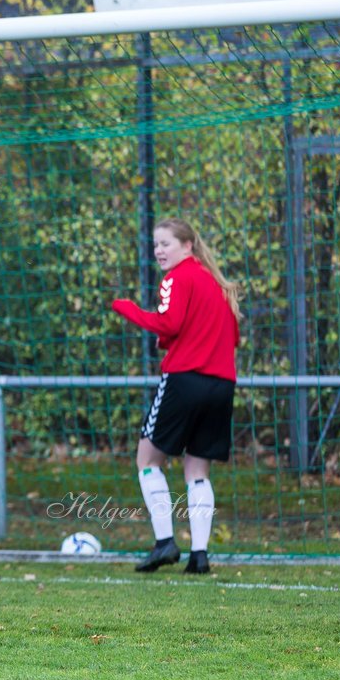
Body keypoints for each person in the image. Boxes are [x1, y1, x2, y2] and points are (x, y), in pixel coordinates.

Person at [110, 218, 240, 575]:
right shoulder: (218, 284)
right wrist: (170, 339)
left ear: (188, 246)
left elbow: (170, 324)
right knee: (197, 470)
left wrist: (126, 308)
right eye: (156, 245)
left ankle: (165, 542)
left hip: (185, 380)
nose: (159, 251)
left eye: (165, 243)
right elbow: (230, 335)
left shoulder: (177, 278)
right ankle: (200, 556)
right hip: (222, 384)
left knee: (147, 459)